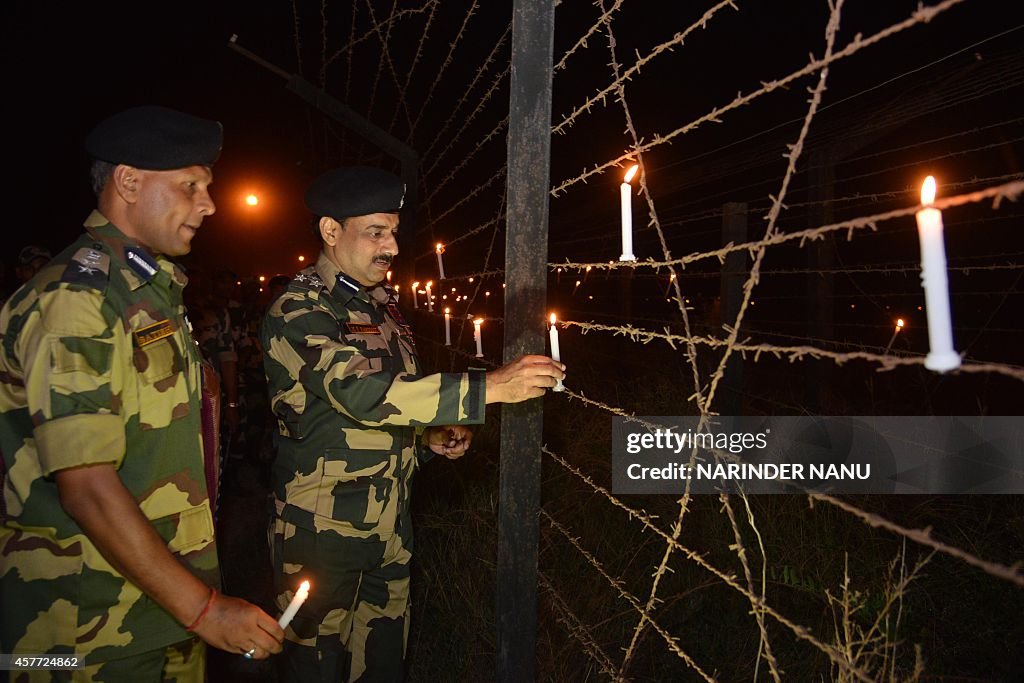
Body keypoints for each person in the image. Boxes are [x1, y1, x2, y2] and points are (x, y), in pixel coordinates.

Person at [0, 105, 283, 680]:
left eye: (207, 187)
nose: (207, 204)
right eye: (190, 186)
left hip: (159, 613)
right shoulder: (77, 300)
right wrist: (204, 609)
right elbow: (87, 488)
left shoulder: (148, 293)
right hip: (84, 632)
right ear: (128, 181)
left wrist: (192, 605)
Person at [262, 166, 565, 682]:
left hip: (390, 524)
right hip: (322, 532)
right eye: (376, 232)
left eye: (394, 232)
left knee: (382, 666)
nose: (392, 247)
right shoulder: (300, 310)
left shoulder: (380, 308)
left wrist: (428, 438)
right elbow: (359, 394)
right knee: (314, 666)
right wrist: (489, 387)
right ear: (331, 232)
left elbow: (392, 408)